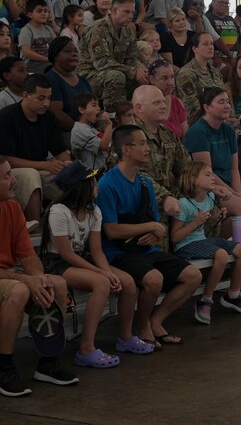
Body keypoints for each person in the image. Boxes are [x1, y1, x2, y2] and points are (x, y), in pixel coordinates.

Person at [97, 125, 202, 348]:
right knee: (154, 279)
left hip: (146, 249)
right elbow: (111, 230)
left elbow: (158, 228)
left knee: (193, 275)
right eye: (142, 143)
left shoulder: (144, 183)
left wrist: (156, 233)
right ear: (126, 149)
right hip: (118, 253)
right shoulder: (107, 184)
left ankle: (156, 320)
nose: (148, 149)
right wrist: (152, 226)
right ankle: (142, 325)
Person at [43, 162, 155, 369]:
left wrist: (107, 271)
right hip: (59, 262)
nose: (98, 186)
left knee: (128, 282)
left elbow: (96, 250)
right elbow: (66, 253)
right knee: (102, 283)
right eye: (93, 182)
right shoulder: (59, 211)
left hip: (85, 259)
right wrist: (102, 274)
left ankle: (125, 337)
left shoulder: (94, 211)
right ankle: (86, 349)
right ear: (81, 187)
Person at [0, 156, 78, 397]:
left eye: (11, 173)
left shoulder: (12, 208)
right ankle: (4, 368)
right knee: (20, 290)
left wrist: (39, 277)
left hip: (8, 275)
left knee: (55, 282)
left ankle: (48, 362)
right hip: (8, 279)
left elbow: (28, 256)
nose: (14, 180)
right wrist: (27, 280)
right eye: (6, 176)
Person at [171, 161, 241, 323]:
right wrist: (195, 222)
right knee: (221, 255)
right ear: (194, 179)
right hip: (185, 245)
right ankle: (206, 299)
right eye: (208, 175)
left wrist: (218, 217)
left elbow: (206, 226)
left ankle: (234, 294)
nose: (213, 179)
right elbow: (175, 237)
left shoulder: (210, 197)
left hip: (202, 240)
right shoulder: (184, 203)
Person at [183, 87, 241, 237]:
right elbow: (207, 174)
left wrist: (237, 193)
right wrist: (233, 193)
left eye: (227, 101)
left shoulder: (227, 129)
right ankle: (221, 243)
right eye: (221, 102)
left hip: (228, 184)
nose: (227, 105)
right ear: (206, 107)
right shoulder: (198, 132)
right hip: (208, 188)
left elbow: (234, 169)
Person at [0, 74, 71, 222]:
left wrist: (67, 164)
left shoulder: (49, 118)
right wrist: (45, 165)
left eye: (49, 98)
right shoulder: (6, 117)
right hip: (13, 170)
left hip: (43, 167)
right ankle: (35, 227)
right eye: (41, 98)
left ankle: (77, 223)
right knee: (31, 175)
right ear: (26, 95)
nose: (46, 103)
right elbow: (6, 160)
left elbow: (61, 152)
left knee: (77, 177)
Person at [130, 85, 189, 220]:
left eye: (163, 101)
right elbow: (133, 174)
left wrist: (206, 185)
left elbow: (186, 166)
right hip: (144, 205)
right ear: (139, 108)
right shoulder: (128, 136)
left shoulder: (167, 133)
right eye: (157, 103)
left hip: (172, 200)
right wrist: (164, 197)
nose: (164, 106)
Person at [77, 0, 146, 108]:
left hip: (114, 70)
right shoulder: (97, 29)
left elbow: (131, 58)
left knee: (143, 76)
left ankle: (134, 114)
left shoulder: (128, 30)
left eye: (132, 13)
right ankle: (113, 116)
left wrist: (141, 69)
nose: (131, 16)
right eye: (126, 12)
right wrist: (133, 72)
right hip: (90, 75)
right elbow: (101, 63)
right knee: (116, 77)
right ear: (114, 10)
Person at [44, 37, 94, 133]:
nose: (74, 54)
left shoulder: (82, 80)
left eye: (75, 51)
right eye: (67, 51)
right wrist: (82, 132)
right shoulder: (50, 79)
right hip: (67, 134)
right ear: (55, 56)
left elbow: (95, 107)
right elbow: (56, 114)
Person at [174, 31, 225, 124]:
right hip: (200, 126)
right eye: (205, 44)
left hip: (220, 121)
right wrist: (218, 120)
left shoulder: (215, 72)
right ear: (195, 49)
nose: (210, 47)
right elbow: (192, 110)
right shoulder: (186, 73)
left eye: (212, 44)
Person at [69, 93, 112, 170]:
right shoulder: (79, 130)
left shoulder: (90, 128)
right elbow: (103, 146)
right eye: (94, 105)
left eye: (98, 105)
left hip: (99, 171)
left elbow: (108, 145)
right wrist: (109, 124)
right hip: (88, 175)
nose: (98, 108)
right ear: (82, 110)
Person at [147, 59, 188, 139]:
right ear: (152, 79)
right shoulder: (145, 104)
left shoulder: (177, 102)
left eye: (172, 77)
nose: (170, 83)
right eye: (164, 78)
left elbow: (186, 137)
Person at [18, 0, 55, 74]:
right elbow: (26, 52)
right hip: (31, 68)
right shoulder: (26, 30)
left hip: (48, 65)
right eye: (39, 11)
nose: (44, 13)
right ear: (30, 14)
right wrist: (47, 59)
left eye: (45, 11)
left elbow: (57, 46)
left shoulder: (49, 29)